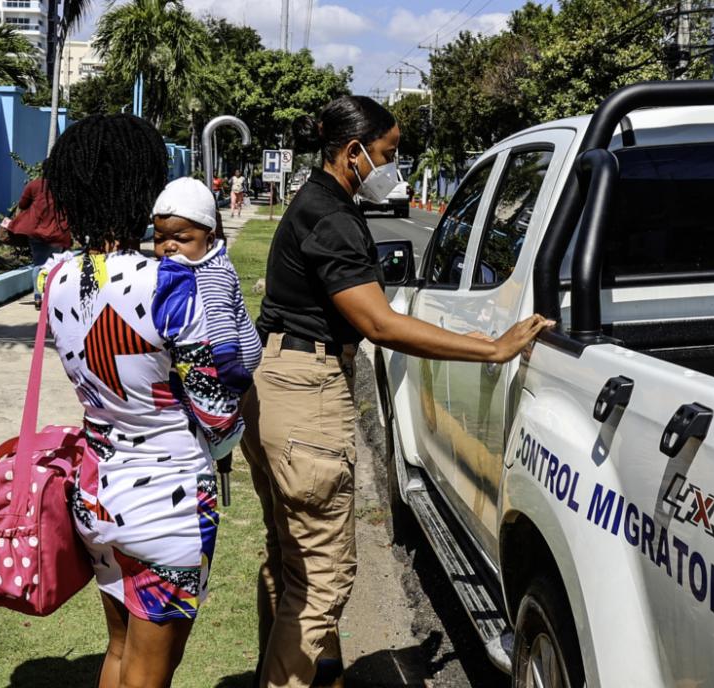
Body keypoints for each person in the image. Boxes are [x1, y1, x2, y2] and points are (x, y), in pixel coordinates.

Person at [241, 95, 552, 687]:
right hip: (306, 395)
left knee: (290, 563)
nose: (393, 167)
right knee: (321, 581)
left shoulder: (315, 202)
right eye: (388, 154)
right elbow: (380, 324)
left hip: (275, 386)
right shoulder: (331, 217)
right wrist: (492, 348)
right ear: (354, 151)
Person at [39, 114, 243, 688]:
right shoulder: (170, 283)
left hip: (97, 494)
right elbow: (214, 408)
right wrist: (235, 431)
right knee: (153, 671)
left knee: (119, 650)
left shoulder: (53, 278)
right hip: (166, 502)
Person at [153, 177, 263, 451]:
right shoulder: (189, 263)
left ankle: (222, 438)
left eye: (181, 239)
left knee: (215, 414)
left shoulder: (212, 272)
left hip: (231, 357)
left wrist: (227, 364)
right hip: (214, 355)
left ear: (209, 239)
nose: (169, 246)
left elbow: (220, 317)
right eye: (159, 238)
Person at [8, 176, 70, 308]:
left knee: (39, 264)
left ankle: (38, 297)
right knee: (55, 264)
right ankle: (53, 296)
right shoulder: (64, 185)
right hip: (58, 231)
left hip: (37, 231)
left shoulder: (34, 184)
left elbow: (22, 205)